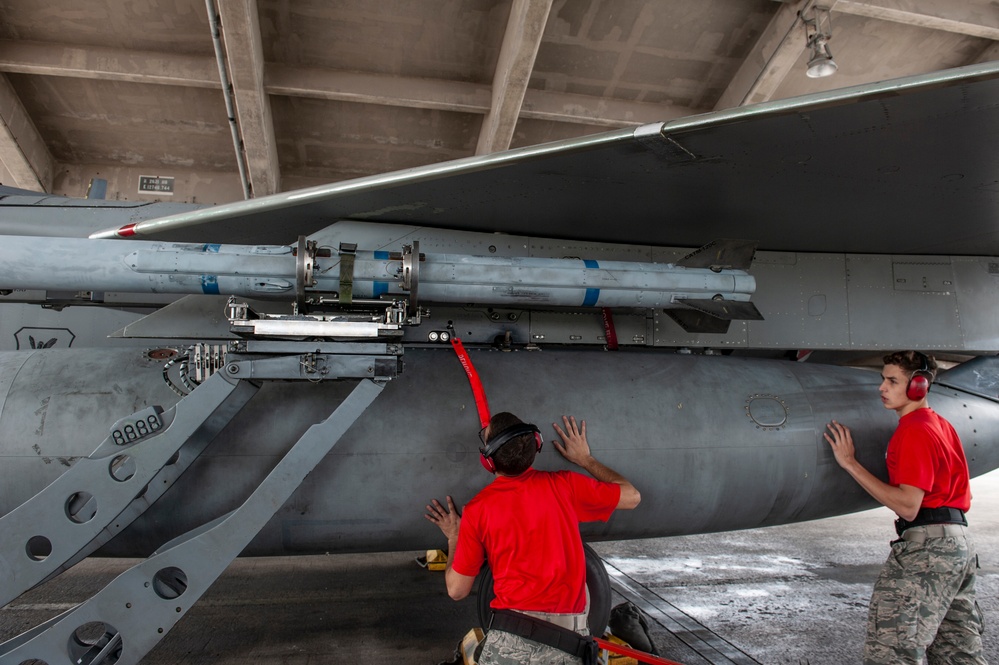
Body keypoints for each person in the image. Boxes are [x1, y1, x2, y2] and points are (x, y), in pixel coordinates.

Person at [425, 412, 640, 665]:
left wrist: (454, 537)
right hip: (568, 644)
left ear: (489, 461)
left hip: (509, 643)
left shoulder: (478, 510)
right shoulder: (564, 486)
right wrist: (586, 459)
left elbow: (457, 590)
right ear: (536, 444)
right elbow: (632, 497)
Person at [824, 351, 985, 664]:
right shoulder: (940, 425)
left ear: (918, 387)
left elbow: (909, 506)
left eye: (892, 380)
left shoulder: (913, 431)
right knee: (958, 654)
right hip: (957, 546)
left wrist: (850, 463)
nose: (881, 387)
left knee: (892, 652)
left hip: (928, 553)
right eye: (883, 379)